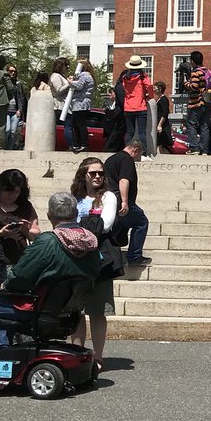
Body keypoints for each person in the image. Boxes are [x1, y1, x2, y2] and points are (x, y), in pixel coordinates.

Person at [0, 191, 100, 381]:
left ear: (49, 215)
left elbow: (18, 279)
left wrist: (6, 283)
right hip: (68, 311)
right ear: (75, 213)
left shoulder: (48, 242)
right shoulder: (90, 242)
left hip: (35, 308)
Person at [70, 156, 120, 366]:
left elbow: (106, 225)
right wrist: (88, 223)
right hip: (74, 260)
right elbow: (63, 223)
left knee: (98, 312)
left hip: (99, 261)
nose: (98, 176)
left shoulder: (108, 196)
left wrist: (78, 228)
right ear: (84, 175)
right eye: (93, 173)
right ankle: (76, 353)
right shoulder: (74, 197)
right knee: (75, 311)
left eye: (101, 173)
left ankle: (97, 356)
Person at [104, 139, 150, 267]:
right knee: (141, 222)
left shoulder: (111, 159)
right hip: (120, 199)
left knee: (120, 227)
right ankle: (134, 256)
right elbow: (124, 180)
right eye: (139, 154)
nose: (137, 158)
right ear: (135, 150)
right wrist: (124, 201)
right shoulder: (126, 160)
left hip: (109, 199)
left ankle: (112, 255)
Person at [116, 55, 155, 156]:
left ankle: (126, 151)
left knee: (129, 132)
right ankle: (143, 152)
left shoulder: (125, 78)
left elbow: (124, 90)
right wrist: (149, 96)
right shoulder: (143, 77)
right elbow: (150, 86)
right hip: (141, 106)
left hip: (128, 107)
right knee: (142, 132)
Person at [184, 50, 211, 156]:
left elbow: (194, 86)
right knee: (204, 125)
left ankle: (194, 147)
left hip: (196, 102)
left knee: (191, 124)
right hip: (207, 102)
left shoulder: (196, 72)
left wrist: (185, 83)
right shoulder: (208, 71)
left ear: (192, 61)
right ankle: (204, 149)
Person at [67, 59, 96, 153]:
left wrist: (70, 81)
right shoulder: (90, 76)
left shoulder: (84, 75)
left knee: (79, 124)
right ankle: (79, 143)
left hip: (80, 103)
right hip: (84, 103)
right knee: (78, 124)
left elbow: (79, 86)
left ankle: (82, 143)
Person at [49, 57, 73, 149]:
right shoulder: (55, 76)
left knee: (68, 126)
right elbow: (58, 90)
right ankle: (70, 145)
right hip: (60, 105)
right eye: (66, 65)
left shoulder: (61, 76)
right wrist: (69, 83)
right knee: (68, 126)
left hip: (65, 105)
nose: (67, 67)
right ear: (60, 66)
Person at [4, 64, 27, 151]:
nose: (13, 73)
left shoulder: (18, 84)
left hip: (15, 111)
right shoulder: (3, 83)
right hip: (6, 110)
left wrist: (19, 110)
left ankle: (9, 149)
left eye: (14, 71)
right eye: (10, 71)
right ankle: (4, 147)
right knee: (7, 130)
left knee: (13, 132)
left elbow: (21, 98)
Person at [103, 86, 125, 152]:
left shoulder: (118, 106)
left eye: (111, 93)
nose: (110, 94)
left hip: (115, 129)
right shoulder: (108, 104)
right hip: (109, 130)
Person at [153, 81, 174, 153]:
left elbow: (165, 113)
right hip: (158, 123)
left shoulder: (164, 99)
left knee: (160, 143)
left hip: (162, 124)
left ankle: (160, 156)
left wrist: (160, 125)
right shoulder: (159, 99)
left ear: (160, 88)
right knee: (158, 143)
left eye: (155, 88)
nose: (154, 89)